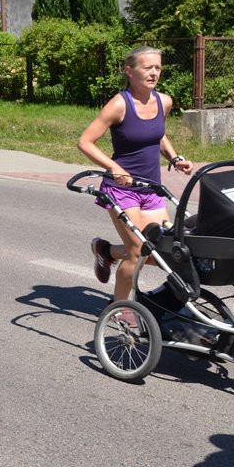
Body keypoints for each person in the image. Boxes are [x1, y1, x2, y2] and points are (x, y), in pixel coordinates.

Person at [78, 46, 193, 307]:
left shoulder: (164, 101)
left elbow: (158, 134)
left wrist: (175, 158)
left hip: (151, 188)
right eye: (147, 67)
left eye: (158, 68)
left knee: (160, 252)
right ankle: (120, 309)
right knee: (137, 252)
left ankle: (106, 251)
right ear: (129, 71)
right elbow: (85, 141)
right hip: (122, 189)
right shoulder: (119, 104)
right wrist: (113, 167)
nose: (154, 73)